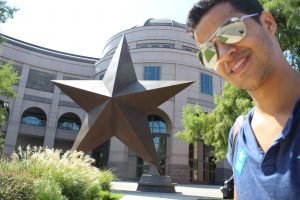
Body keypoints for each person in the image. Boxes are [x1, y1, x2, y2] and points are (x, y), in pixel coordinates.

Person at [187, 0, 300, 199]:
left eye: (231, 30)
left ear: (267, 23)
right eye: (209, 53)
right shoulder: (238, 135)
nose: (223, 55)